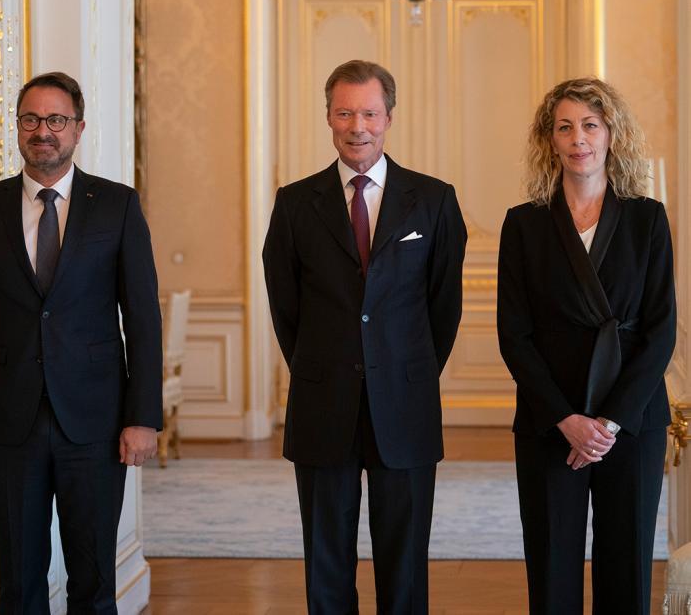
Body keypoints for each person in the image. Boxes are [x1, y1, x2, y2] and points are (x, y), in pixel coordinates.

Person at [263, 59, 466, 614]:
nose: (358, 126)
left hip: (405, 402)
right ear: (328, 117)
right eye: (345, 112)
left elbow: (444, 305)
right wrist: (318, 363)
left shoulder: (433, 200)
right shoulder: (294, 203)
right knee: (326, 560)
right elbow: (286, 305)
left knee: (404, 563)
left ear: (389, 117)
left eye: (370, 113)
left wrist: (406, 366)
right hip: (322, 399)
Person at [497, 76, 675, 615]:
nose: (579, 138)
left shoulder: (647, 219)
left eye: (590, 125)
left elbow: (660, 330)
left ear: (610, 134)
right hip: (552, 421)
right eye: (565, 127)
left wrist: (609, 422)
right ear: (549, 140)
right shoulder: (523, 225)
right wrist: (567, 420)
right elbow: (514, 336)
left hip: (632, 421)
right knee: (551, 569)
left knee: (626, 569)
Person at [0, 71, 162, 613]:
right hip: (7, 422)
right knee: (18, 581)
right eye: (32, 120)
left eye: (56, 120)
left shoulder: (116, 206)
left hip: (95, 421)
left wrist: (143, 417)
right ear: (17, 129)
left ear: (78, 128)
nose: (44, 131)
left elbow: (142, 319)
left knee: (92, 580)